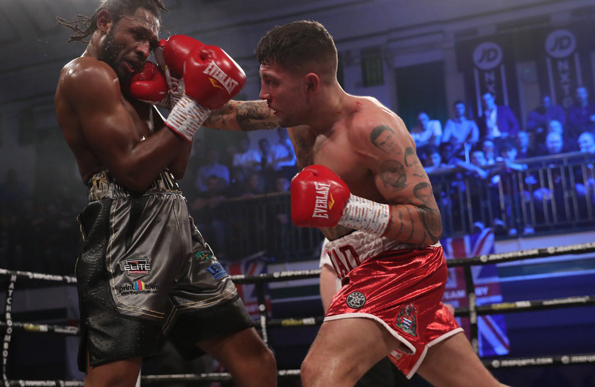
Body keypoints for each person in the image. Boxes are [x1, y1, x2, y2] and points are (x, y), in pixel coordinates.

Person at [198, 21, 506, 386]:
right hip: (347, 259)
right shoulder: (293, 114)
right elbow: (230, 114)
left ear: (311, 83)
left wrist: (349, 208)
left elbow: (428, 223)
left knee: (321, 374)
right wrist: (170, 97)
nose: (263, 94)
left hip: (400, 264)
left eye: (272, 82)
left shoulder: (373, 129)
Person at [54, 0, 275, 387]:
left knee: (256, 361)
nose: (144, 49)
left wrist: (179, 100)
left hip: (174, 221)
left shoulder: (139, 85)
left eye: (152, 41)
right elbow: (134, 174)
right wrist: (193, 106)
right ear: (105, 21)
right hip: (123, 226)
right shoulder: (86, 75)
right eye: (136, 34)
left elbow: (173, 168)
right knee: (116, 378)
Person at [319, 238, 410, 387]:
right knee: (379, 381)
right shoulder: (339, 227)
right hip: (357, 322)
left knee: (400, 379)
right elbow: (329, 272)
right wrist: (333, 324)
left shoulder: (388, 227)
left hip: (390, 323)